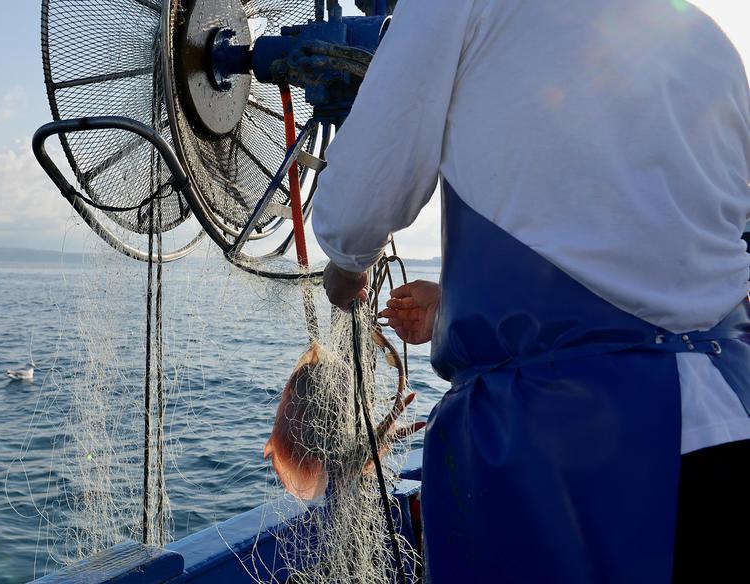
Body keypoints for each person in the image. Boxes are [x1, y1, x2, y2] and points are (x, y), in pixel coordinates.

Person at [311, 0, 750, 582]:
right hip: (732, 412)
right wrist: (454, 308)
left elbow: (361, 194)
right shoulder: (707, 38)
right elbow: (665, 258)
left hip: (571, 455)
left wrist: (346, 267)